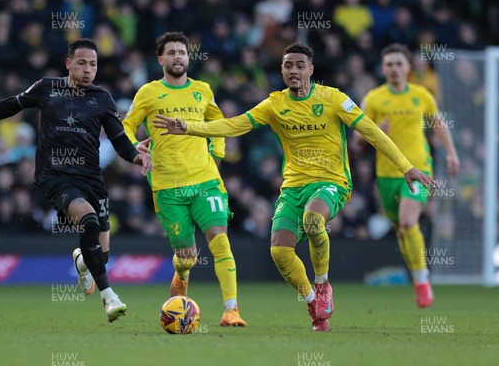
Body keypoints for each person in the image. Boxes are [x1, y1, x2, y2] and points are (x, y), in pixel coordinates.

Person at [153, 42, 435, 332]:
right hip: (293, 187)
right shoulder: (275, 105)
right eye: (288, 65)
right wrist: (189, 127)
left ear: (311, 70)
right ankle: (314, 304)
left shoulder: (333, 99)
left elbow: (372, 132)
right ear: (282, 70)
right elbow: (234, 125)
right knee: (279, 252)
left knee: (313, 220)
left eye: (300, 65)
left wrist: (407, 167)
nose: (294, 70)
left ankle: (323, 284)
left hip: (331, 183)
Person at [0, 38, 151, 323]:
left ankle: (83, 262)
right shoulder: (46, 88)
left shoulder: (102, 98)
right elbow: (9, 106)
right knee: (87, 220)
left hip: (91, 177)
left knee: (101, 253)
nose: (88, 69)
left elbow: (117, 139)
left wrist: (135, 157)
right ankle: (109, 297)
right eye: (82, 63)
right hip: (55, 176)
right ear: (68, 64)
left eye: (93, 64)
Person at [122, 31, 246, 327]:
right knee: (186, 254)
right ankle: (182, 272)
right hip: (167, 186)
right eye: (172, 52)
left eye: (182, 52)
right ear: (160, 59)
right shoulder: (148, 92)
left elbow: (219, 124)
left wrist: (217, 154)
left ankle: (231, 310)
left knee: (220, 240)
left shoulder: (202, 90)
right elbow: (125, 126)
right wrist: (136, 153)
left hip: (205, 181)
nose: (178, 56)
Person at [354, 43, 459, 308]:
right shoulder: (374, 99)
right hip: (388, 175)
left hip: (418, 169)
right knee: (401, 229)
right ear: (383, 68)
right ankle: (417, 276)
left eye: (399, 64)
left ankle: (423, 281)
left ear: (408, 68)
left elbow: (438, 123)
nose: (394, 69)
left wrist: (451, 153)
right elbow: (356, 141)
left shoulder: (422, 94)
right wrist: (375, 129)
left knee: (408, 221)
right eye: (389, 64)